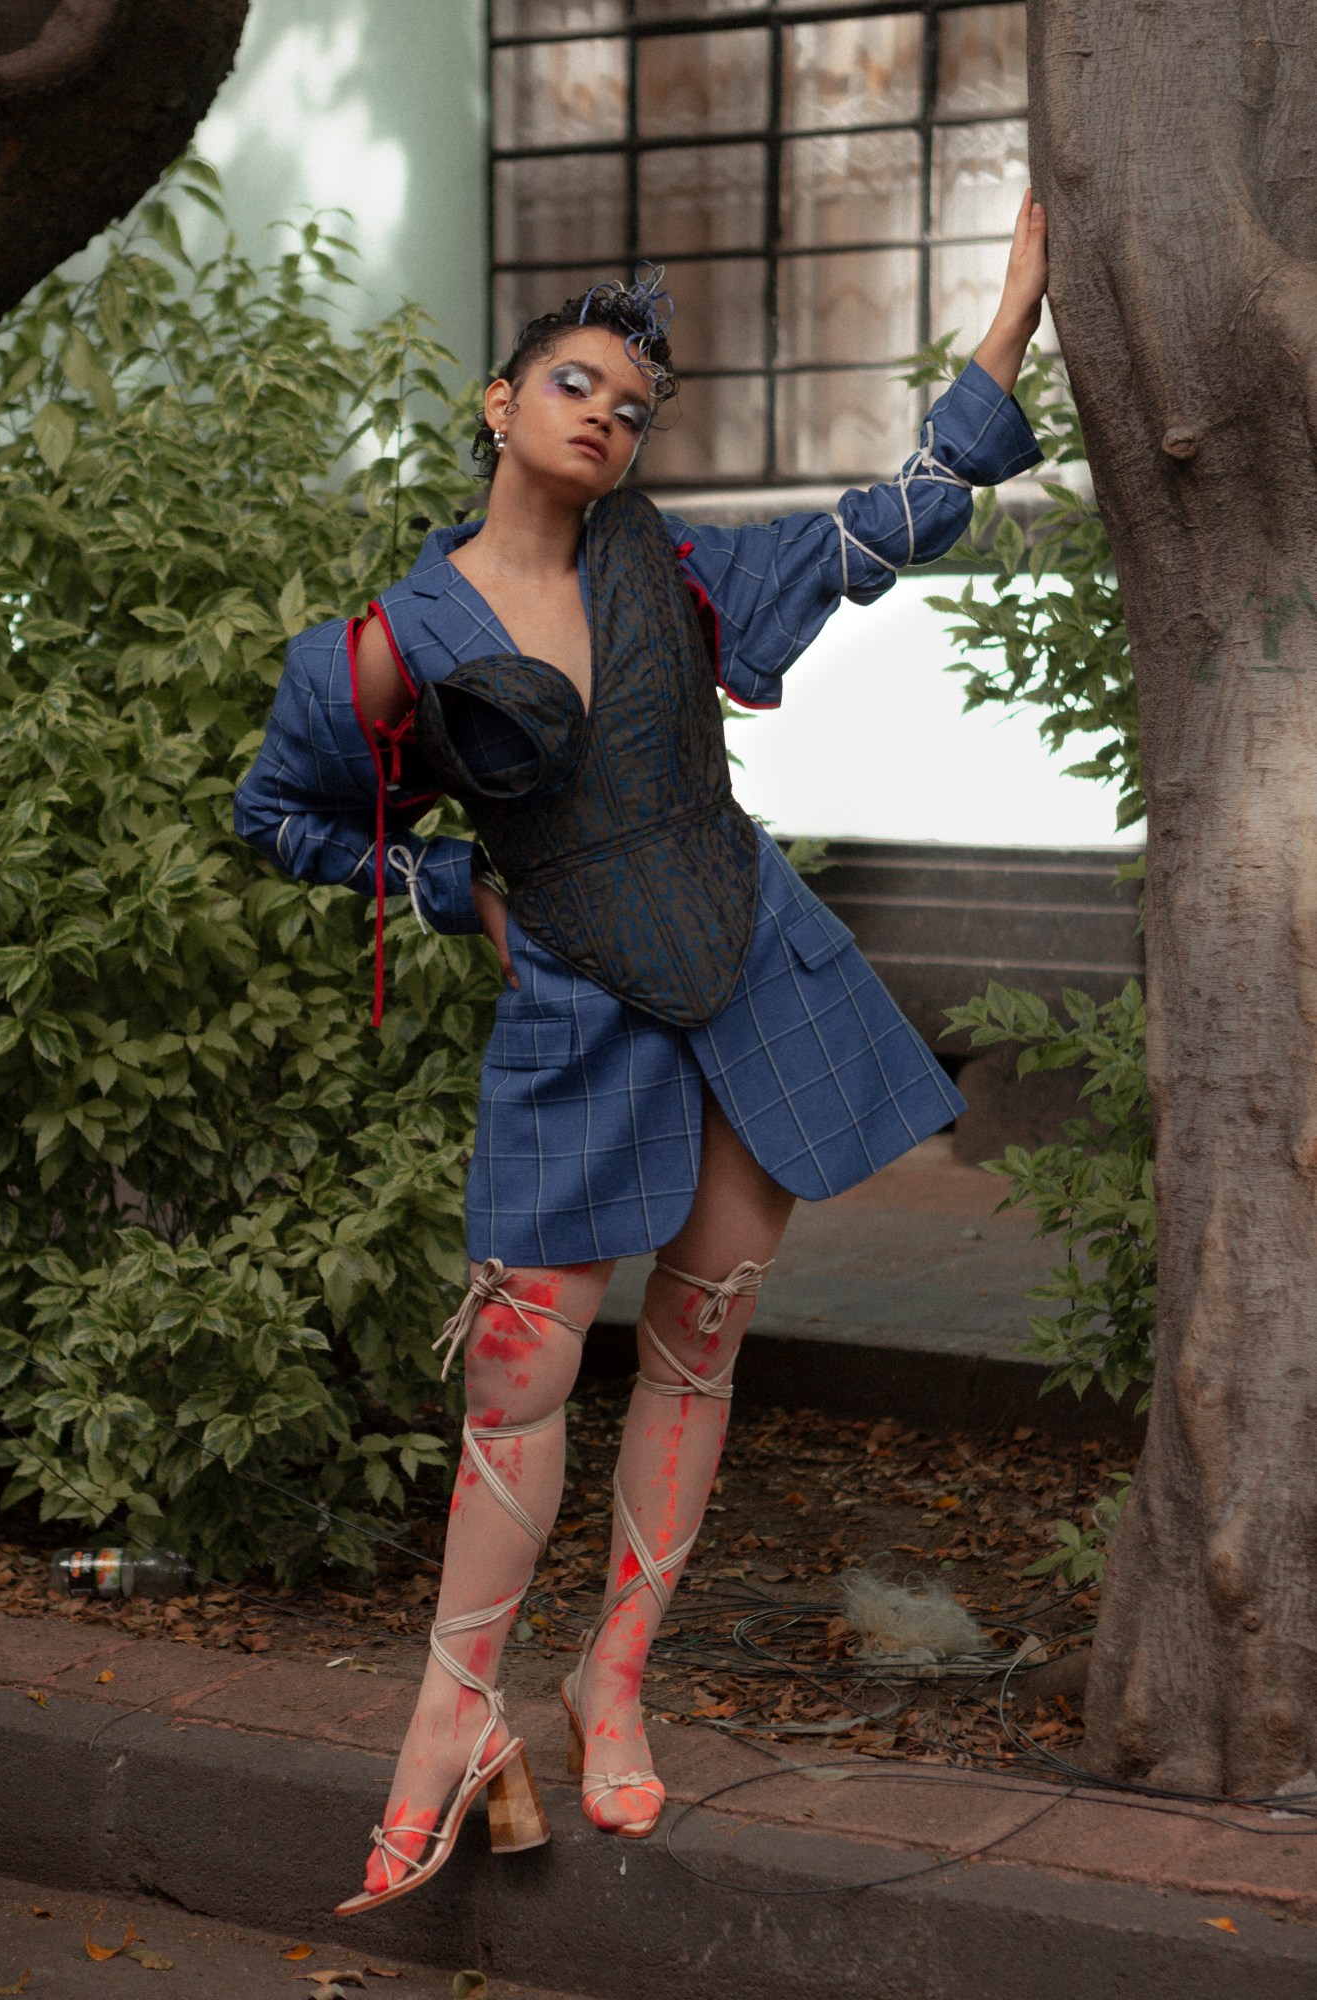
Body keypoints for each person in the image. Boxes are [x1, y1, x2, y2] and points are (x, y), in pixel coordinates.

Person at [234, 192, 1048, 1914]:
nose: (608, 413)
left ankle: (613, 1683)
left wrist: (1000, 339)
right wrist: (451, 887)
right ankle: (444, 1730)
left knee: (697, 1350)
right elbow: (280, 818)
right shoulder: (391, 645)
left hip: (749, 974)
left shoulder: (683, 570)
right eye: (579, 384)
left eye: (633, 404)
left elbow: (890, 521)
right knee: (514, 1389)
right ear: (500, 405)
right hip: (573, 1012)